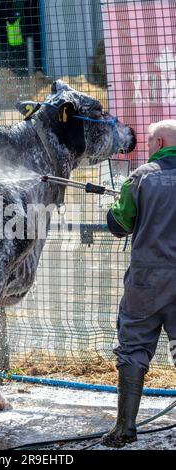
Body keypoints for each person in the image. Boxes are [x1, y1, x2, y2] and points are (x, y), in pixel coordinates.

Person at [102, 120, 176, 448]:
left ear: (159, 141)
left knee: (134, 345)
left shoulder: (142, 176)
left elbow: (119, 225)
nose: (147, 149)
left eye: (148, 143)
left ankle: (125, 428)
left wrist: (117, 207)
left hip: (148, 278)